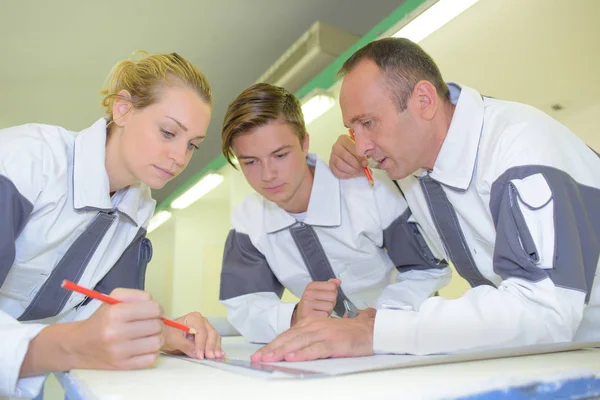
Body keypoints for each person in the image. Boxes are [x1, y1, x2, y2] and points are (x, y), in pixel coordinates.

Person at [251, 37, 600, 363]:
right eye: (353, 130)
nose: (360, 146)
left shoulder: (520, 148)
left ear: (424, 101)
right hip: (565, 352)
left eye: (369, 122)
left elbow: (545, 310)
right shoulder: (413, 171)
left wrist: (377, 331)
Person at [0, 52, 223, 398]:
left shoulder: (138, 209)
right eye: (168, 132)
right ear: (123, 109)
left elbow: (96, 312)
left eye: (192, 144)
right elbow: (74, 337)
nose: (180, 157)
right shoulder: (24, 161)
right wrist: (65, 346)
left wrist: (162, 332)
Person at [219, 82, 450, 344]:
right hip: (330, 353)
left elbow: (428, 270)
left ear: (304, 143)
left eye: (280, 155)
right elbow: (245, 305)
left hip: (401, 338)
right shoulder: (248, 221)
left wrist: (383, 318)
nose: (268, 174)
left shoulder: (368, 190)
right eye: (250, 162)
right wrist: (295, 316)